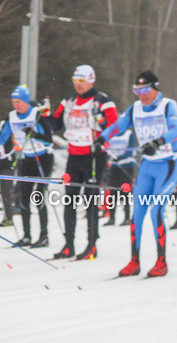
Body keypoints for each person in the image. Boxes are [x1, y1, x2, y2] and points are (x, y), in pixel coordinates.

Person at [95, 71, 177, 277]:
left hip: (168, 163)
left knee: (156, 211)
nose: (141, 95)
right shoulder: (135, 108)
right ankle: (134, 261)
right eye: (137, 90)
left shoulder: (168, 105)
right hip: (147, 166)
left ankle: (161, 261)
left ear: (155, 88)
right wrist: (101, 139)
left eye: (145, 90)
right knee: (137, 214)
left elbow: (175, 129)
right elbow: (117, 125)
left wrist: (157, 142)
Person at [43, 64, 119, 259]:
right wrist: (45, 115)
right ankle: (69, 245)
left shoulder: (103, 101)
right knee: (70, 200)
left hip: (94, 156)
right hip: (74, 156)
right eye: (75, 81)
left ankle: (92, 245)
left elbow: (115, 126)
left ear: (91, 80)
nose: (78, 85)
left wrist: (101, 123)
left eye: (82, 81)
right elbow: (56, 125)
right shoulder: (68, 101)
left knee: (90, 200)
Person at [0, 85, 54, 247]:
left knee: (38, 197)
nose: (16, 105)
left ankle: (44, 236)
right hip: (27, 159)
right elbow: (2, 138)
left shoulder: (36, 114)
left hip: (43, 158)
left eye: (19, 101)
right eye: (14, 101)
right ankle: (26, 236)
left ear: (26, 101)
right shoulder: (12, 117)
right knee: (23, 198)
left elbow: (49, 139)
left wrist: (35, 134)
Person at [102, 127, 136, 226]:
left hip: (127, 166)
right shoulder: (112, 135)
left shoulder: (129, 134)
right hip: (115, 167)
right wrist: (110, 156)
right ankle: (112, 218)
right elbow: (108, 148)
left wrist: (120, 157)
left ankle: (126, 218)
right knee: (113, 193)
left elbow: (130, 150)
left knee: (125, 193)